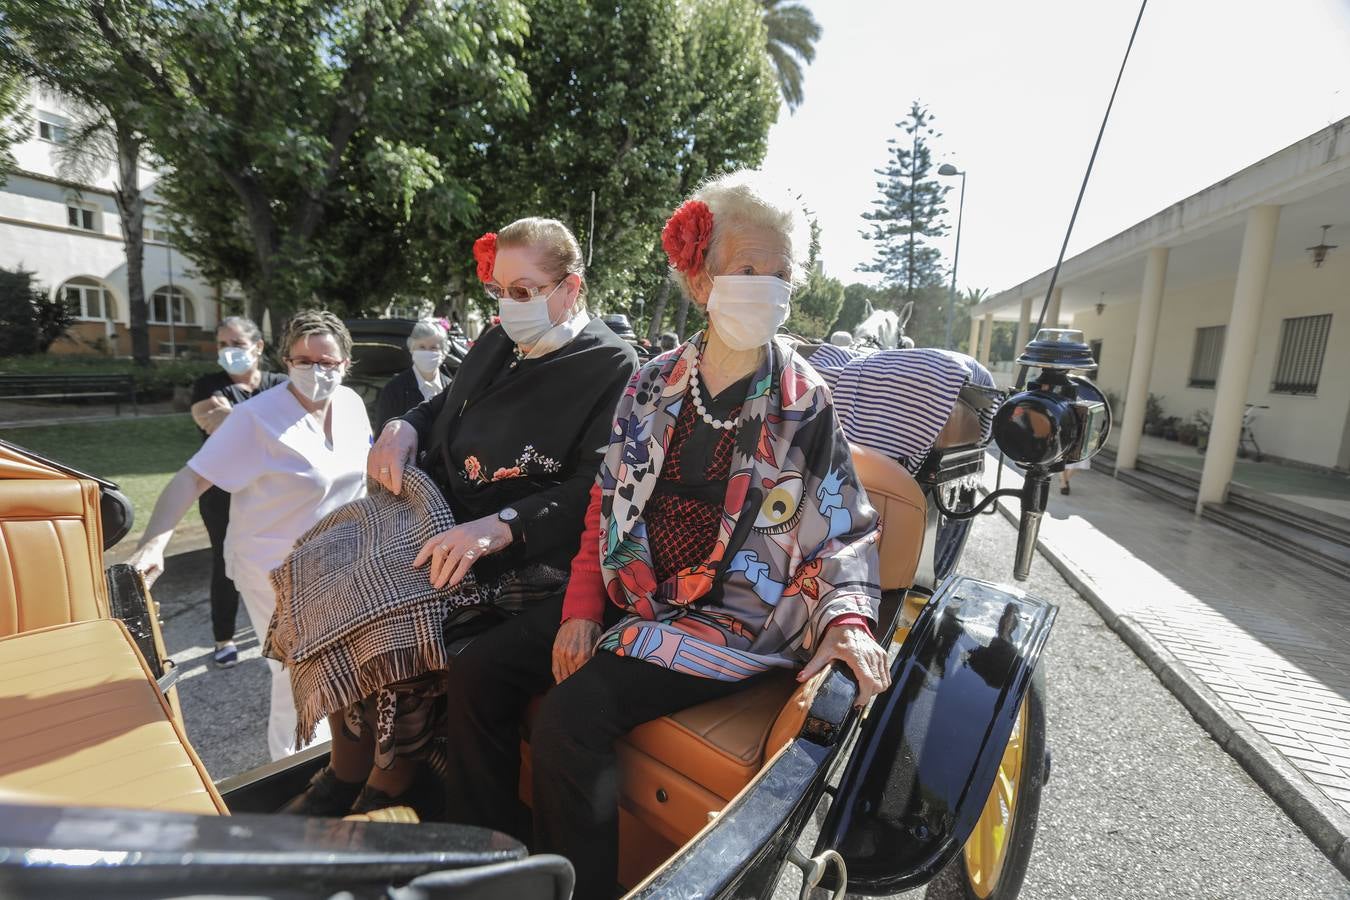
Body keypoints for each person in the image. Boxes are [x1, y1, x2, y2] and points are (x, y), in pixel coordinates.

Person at [439, 171, 891, 898]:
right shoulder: (651, 382)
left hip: (730, 614)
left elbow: (841, 524)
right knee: (478, 672)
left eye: (781, 274)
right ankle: (487, 867)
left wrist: (847, 616)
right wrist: (584, 606)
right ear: (701, 276)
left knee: (570, 718)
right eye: (749, 270)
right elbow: (603, 506)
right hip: (630, 589)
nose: (767, 288)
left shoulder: (806, 399)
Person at [280, 217, 639, 817]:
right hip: (441, 514)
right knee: (321, 571)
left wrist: (501, 525)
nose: (508, 305)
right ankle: (346, 766)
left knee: (395, 612)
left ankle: (394, 781)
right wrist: (403, 426)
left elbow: (594, 486)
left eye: (524, 291)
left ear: (570, 289)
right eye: (499, 291)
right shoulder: (501, 341)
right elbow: (443, 403)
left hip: (523, 546)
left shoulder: (612, 367)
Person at [128, 310, 372, 761]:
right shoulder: (256, 418)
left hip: (337, 563)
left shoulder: (353, 407)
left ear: (346, 363)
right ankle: (296, 766)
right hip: (272, 567)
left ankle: (338, 757)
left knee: (338, 665)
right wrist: (154, 541)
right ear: (285, 360)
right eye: (303, 360)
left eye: (327, 362)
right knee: (294, 670)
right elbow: (191, 478)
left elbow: (361, 481)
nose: (316, 371)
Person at [188, 316, 287, 669]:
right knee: (225, 562)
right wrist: (264, 422)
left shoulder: (280, 383)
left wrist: (237, 416)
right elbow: (214, 425)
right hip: (222, 494)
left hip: (271, 493)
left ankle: (283, 631)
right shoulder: (207, 386)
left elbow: (292, 431)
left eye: (237, 344)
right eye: (222, 344)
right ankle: (223, 638)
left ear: (258, 347)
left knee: (280, 559)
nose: (228, 351)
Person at [375, 318, 451, 431]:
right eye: (422, 347)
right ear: (412, 348)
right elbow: (384, 437)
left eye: (433, 348)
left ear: (444, 352)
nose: (427, 352)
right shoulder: (394, 390)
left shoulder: (451, 388)